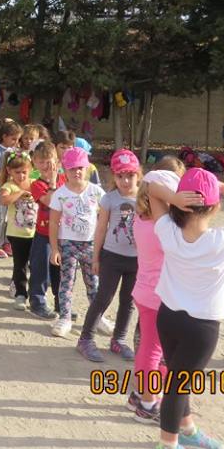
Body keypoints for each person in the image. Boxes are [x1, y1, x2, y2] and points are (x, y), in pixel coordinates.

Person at [146, 169, 224, 449]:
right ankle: (167, 447)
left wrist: (172, 197)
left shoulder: (168, 230)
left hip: (168, 318)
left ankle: (186, 429)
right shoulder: (222, 239)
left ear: (180, 202)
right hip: (201, 328)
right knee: (178, 385)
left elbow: (151, 187)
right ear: (215, 206)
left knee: (177, 379)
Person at [129, 156, 185, 423]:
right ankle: (148, 404)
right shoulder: (163, 227)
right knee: (152, 352)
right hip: (157, 296)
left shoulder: (142, 218)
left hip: (145, 292)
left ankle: (140, 395)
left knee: (150, 349)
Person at [76, 149, 141, 363]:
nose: (125, 181)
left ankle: (119, 339)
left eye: (130, 175)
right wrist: (95, 258)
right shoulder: (109, 199)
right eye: (120, 176)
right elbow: (101, 229)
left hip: (136, 260)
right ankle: (86, 339)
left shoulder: (145, 198)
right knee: (103, 297)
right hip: (111, 257)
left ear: (138, 174)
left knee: (128, 301)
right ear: (114, 176)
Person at [48, 147, 106, 338]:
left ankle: (98, 318)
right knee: (67, 282)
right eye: (72, 168)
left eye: (80, 167)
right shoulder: (60, 194)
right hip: (68, 244)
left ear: (87, 168)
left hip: (91, 245)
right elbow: (54, 222)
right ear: (65, 170)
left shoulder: (96, 192)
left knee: (94, 283)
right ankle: (65, 318)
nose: (76, 172)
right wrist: (54, 249)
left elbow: (105, 218)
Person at [28, 142, 65, 319]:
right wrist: (52, 182)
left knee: (61, 271)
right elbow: (51, 201)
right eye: (41, 162)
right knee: (40, 269)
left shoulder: (65, 181)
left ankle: (62, 303)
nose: (45, 166)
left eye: (49, 161)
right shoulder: (37, 184)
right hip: (43, 234)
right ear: (34, 163)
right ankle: (37, 302)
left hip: (63, 234)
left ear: (56, 162)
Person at [0, 150, 37, 310]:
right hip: (16, 233)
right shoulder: (9, 186)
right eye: (17, 172)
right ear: (9, 171)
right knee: (20, 265)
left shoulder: (35, 183)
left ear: (30, 170)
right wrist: (20, 192)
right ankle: (20, 294)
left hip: (36, 233)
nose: (21, 176)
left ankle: (36, 295)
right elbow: (3, 200)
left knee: (36, 265)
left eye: (24, 172)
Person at [0, 120, 23, 258]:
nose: (16, 142)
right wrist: (2, 176)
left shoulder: (15, 151)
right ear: (4, 136)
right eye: (13, 139)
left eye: (18, 139)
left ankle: (7, 242)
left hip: (12, 188)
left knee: (10, 216)